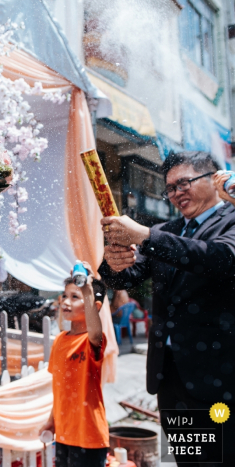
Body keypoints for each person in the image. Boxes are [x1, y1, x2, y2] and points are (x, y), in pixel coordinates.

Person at [100, 151, 235, 465]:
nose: (177, 193)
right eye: (171, 188)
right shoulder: (167, 230)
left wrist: (145, 236)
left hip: (218, 377)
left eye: (184, 183)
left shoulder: (230, 219)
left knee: (219, 458)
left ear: (214, 179)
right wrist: (111, 262)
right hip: (170, 376)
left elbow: (217, 258)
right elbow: (126, 277)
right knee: (186, 457)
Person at [39, 263, 109, 467]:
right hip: (63, 434)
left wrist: (87, 289)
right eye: (65, 295)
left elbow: (95, 333)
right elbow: (60, 389)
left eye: (75, 297)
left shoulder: (93, 340)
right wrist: (52, 421)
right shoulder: (60, 340)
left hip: (89, 436)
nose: (65, 302)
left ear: (94, 306)